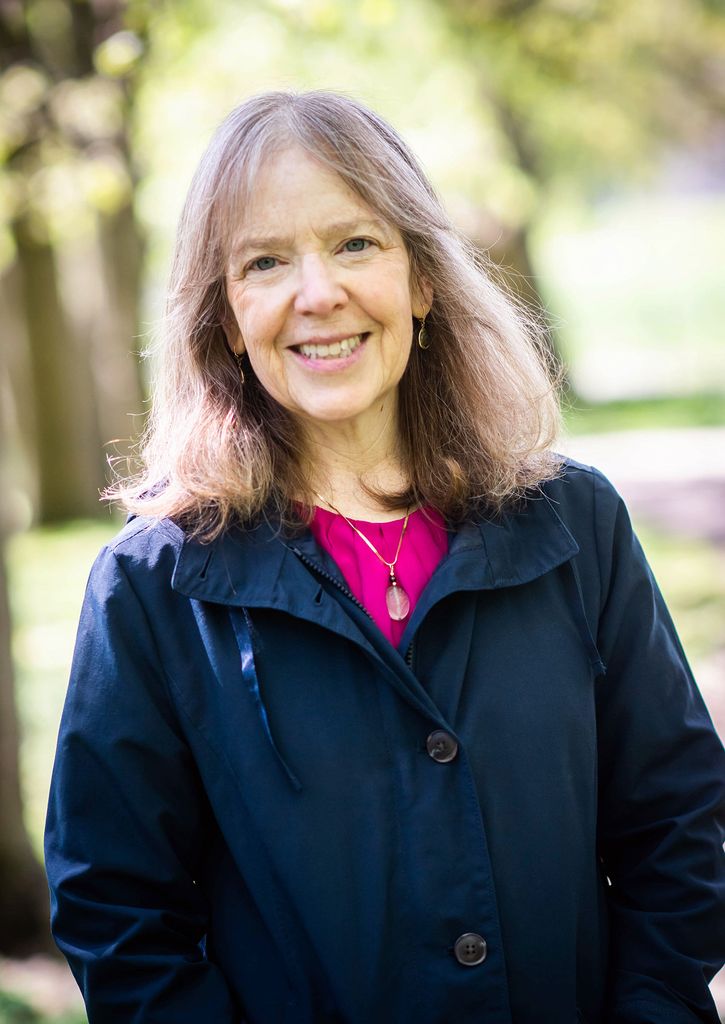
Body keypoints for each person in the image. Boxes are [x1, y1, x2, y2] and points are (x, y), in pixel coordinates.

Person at [45, 90, 724, 1024]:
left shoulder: (574, 523)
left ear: (422, 279)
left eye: (355, 243)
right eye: (266, 261)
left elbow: (681, 826)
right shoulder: (152, 588)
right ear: (228, 319)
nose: (316, 293)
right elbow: (117, 913)